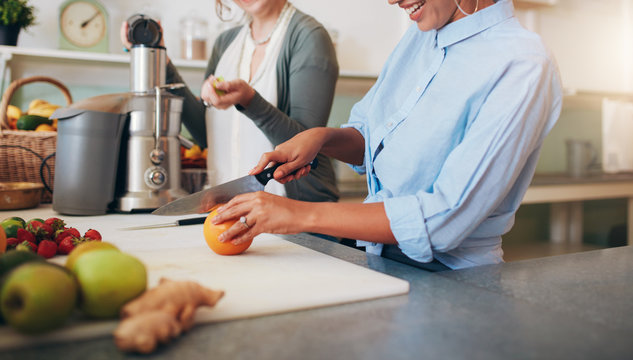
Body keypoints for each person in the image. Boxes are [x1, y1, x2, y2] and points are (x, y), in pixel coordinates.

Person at [210, 0, 563, 271]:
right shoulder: (420, 35)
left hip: (455, 280)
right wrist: (322, 138)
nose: (393, 0)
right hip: (379, 262)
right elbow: (370, 135)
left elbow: (443, 218)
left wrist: (297, 214)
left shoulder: (522, 63)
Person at [120, 0, 339, 203]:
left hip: (298, 215)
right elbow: (207, 136)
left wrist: (249, 101)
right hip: (233, 210)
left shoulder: (309, 37)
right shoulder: (226, 43)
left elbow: (304, 147)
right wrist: (161, 61)